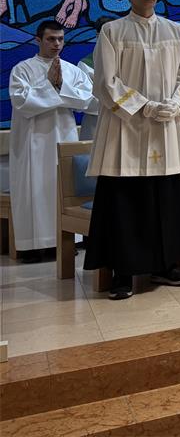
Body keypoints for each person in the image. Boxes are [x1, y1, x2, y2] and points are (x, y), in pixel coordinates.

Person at [84, 0, 180, 299]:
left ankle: (165, 266)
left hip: (166, 128)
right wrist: (144, 106)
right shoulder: (113, 31)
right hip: (126, 130)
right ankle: (122, 274)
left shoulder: (176, 32)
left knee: (166, 201)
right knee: (126, 204)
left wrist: (176, 102)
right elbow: (106, 82)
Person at [9, 20, 93, 262]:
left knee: (60, 188)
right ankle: (34, 245)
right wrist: (52, 86)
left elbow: (86, 100)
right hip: (32, 141)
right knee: (34, 188)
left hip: (63, 135)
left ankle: (63, 241)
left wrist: (59, 86)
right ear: (38, 40)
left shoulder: (71, 70)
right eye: (51, 39)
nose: (57, 44)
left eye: (60, 39)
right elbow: (21, 102)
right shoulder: (22, 69)